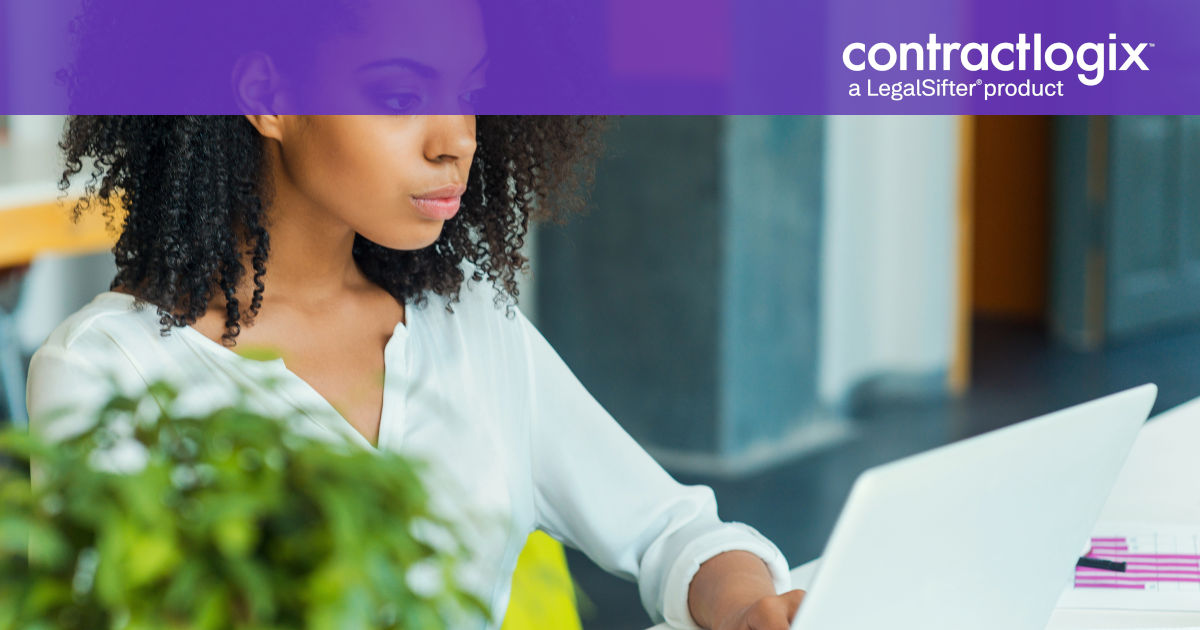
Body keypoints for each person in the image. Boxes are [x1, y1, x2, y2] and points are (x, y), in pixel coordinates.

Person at [32, 7, 804, 630]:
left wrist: (747, 608)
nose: (457, 139)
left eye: (470, 91)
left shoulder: (465, 320)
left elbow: (671, 529)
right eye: (400, 98)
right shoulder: (108, 371)